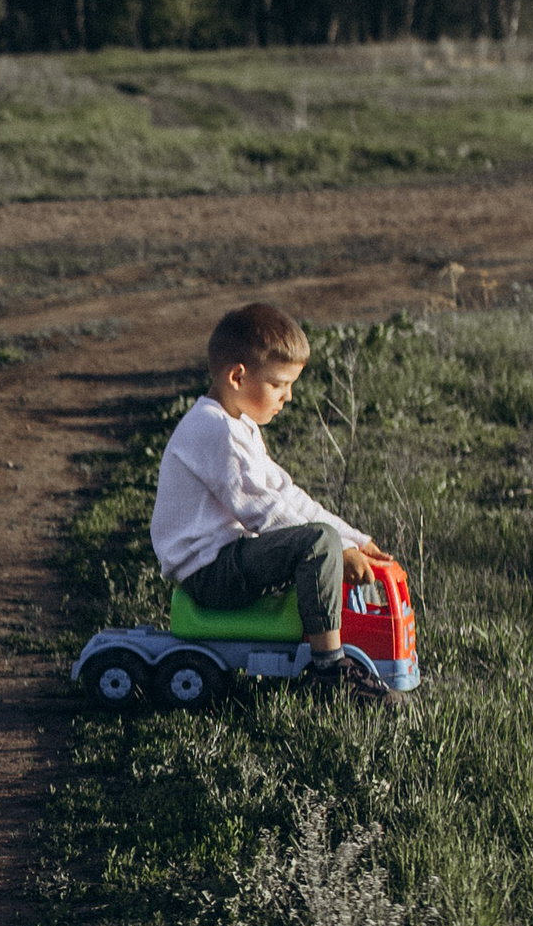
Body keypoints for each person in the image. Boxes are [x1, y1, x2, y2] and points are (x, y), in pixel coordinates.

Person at [151, 302, 405, 708]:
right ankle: (328, 671)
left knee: (321, 538)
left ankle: (324, 653)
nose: (288, 396)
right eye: (279, 384)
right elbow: (263, 511)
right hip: (210, 573)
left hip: (228, 560)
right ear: (238, 376)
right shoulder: (215, 432)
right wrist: (337, 546)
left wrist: (354, 538)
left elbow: (286, 494)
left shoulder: (238, 425)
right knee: (316, 544)